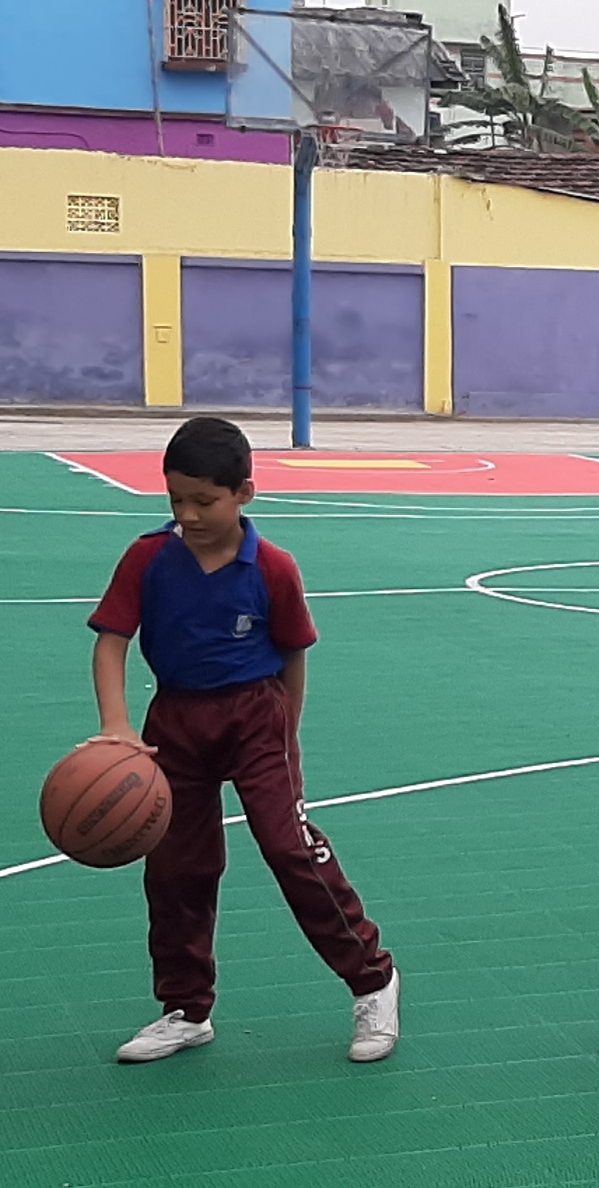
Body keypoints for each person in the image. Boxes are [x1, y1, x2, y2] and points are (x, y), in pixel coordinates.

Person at [89, 416, 401, 1066]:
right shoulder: (148, 558)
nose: (189, 514)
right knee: (177, 865)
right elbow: (111, 642)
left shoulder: (274, 570)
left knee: (290, 848)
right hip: (173, 722)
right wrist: (116, 727)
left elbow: (293, 657)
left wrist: (289, 738)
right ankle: (185, 1007)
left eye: (204, 501)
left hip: (258, 717)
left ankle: (373, 980)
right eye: (176, 500)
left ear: (244, 495)